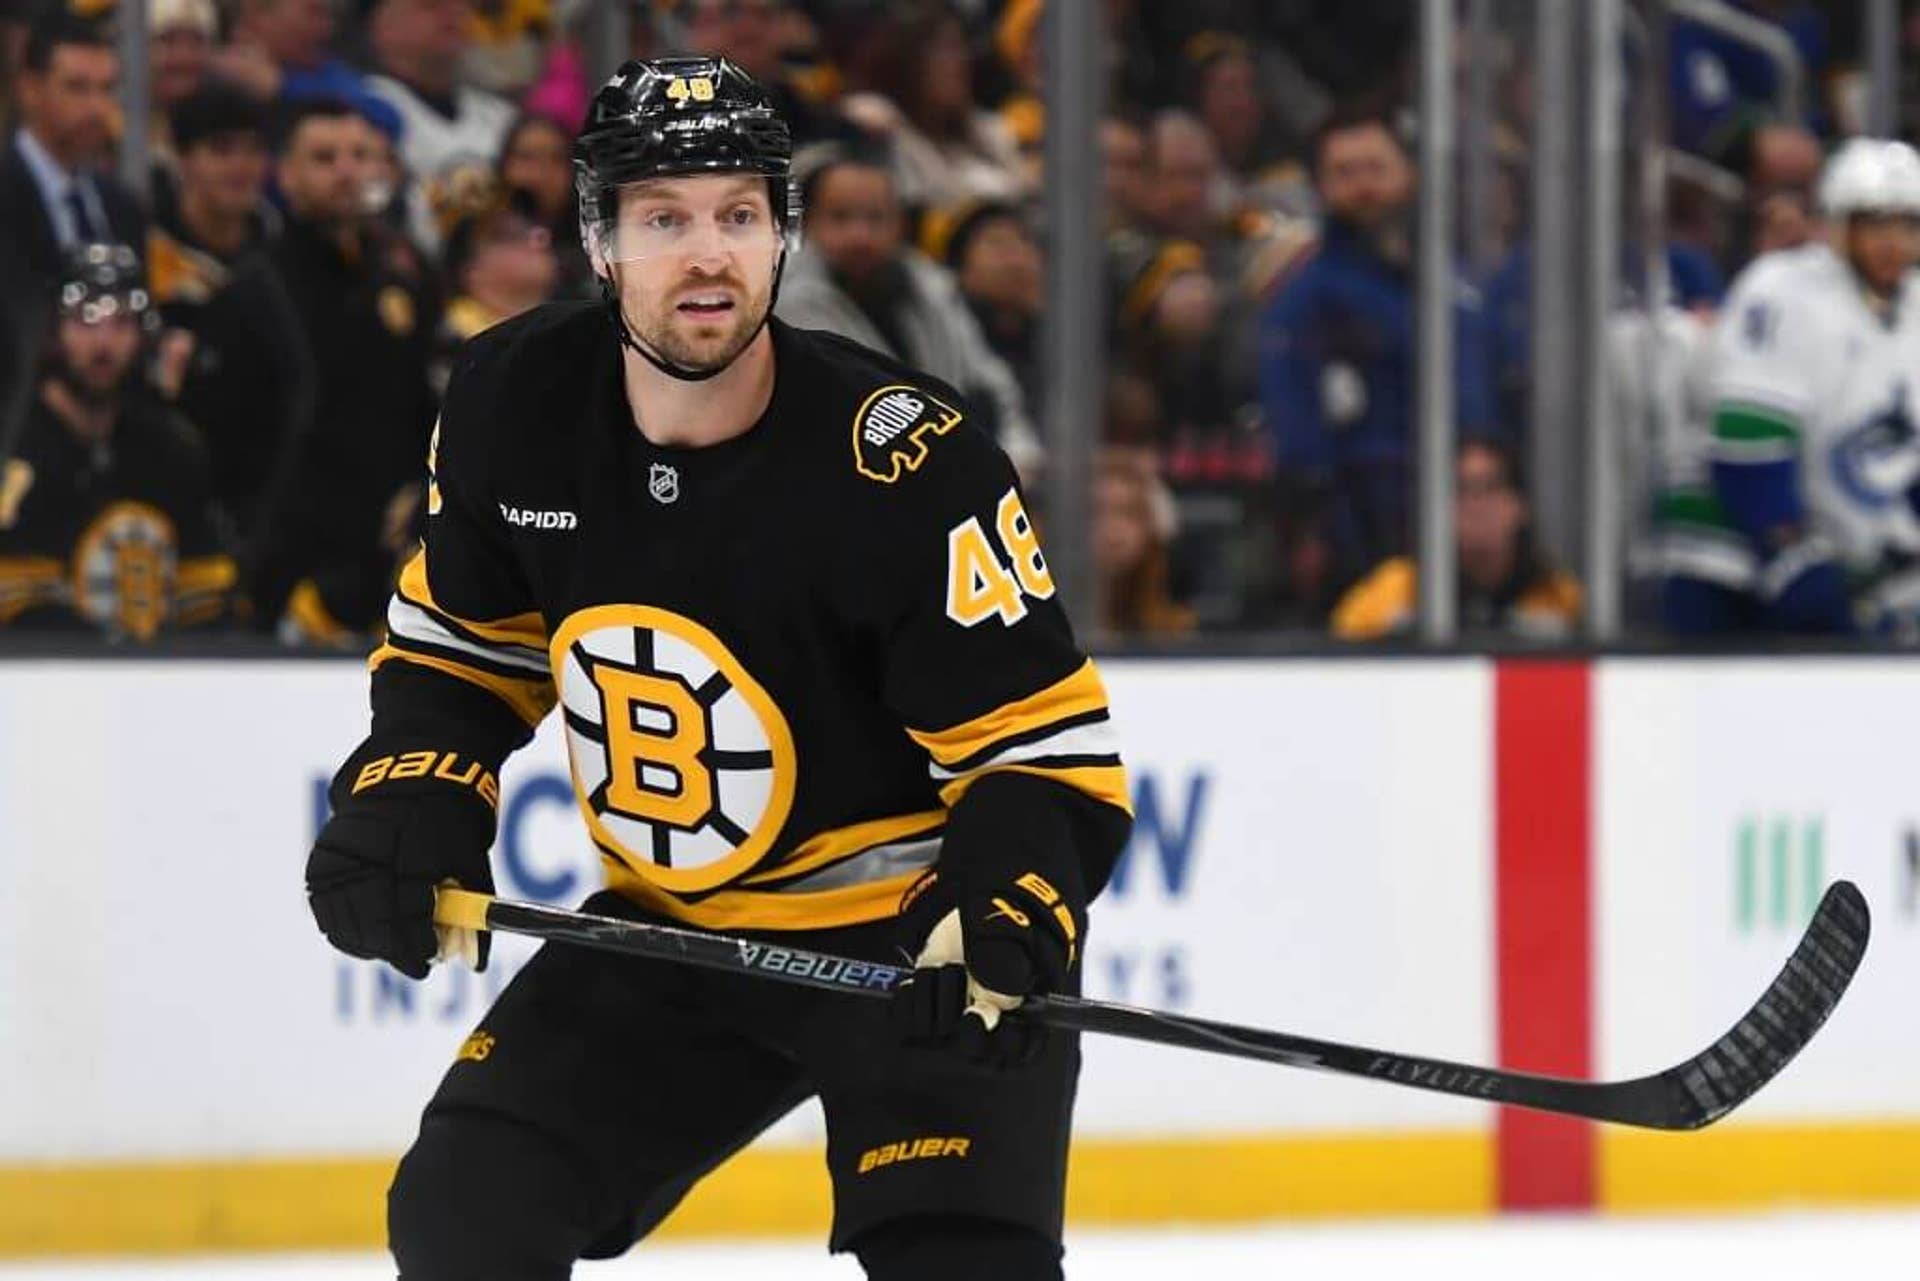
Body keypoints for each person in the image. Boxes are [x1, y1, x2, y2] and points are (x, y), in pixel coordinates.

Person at [302, 56, 1130, 1279]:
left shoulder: (904, 462)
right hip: (670, 938)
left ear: (783, 235)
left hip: (905, 945)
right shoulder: (510, 402)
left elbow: (1043, 758)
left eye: (740, 215)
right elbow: (462, 652)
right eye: (664, 219)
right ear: (598, 240)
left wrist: (1005, 901)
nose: (707, 255)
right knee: (465, 1214)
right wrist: (415, 782)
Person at [1258, 108, 1494, 611]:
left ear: (1409, 173)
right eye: (1345, 173)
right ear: (1320, 188)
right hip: (1363, 530)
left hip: (1466, 517)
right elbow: (1298, 436)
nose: (1363, 186)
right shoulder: (1308, 300)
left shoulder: (1454, 282)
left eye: (1375, 168)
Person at [1700, 138, 1920, 637]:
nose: (1894, 243)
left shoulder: (1915, 309)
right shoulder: (1783, 290)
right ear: (1840, 226)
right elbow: (1747, 444)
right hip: (1734, 555)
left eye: (1908, 225)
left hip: (1854, 559)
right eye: (1876, 224)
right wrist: (1787, 549)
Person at [259, 97, 438, 642]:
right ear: (286, 175)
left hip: (391, 555)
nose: (347, 170)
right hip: (293, 560)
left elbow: (427, 403)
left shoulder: (408, 275)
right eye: (324, 157)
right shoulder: (260, 287)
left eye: (361, 155)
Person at [0, 243, 233, 638]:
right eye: (86, 321)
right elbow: (17, 603)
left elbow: (207, 597)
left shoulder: (171, 448)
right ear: (54, 331)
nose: (104, 344)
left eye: (122, 322)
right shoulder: (19, 454)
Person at [777, 146, 1043, 480]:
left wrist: (1016, 463)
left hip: (959, 482)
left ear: (900, 224)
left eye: (875, 218)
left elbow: (991, 384)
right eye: (840, 217)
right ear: (808, 223)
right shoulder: (785, 304)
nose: (859, 236)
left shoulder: (931, 287)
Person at [147, 82, 314, 572]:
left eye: (253, 151)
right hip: (182, 477)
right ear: (180, 159)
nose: (241, 168)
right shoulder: (149, 253)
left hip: (274, 484)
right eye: (220, 151)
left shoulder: (286, 252)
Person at [1331, 439, 1581, 641]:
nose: (1475, 506)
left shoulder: (1559, 597)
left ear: (1519, 506)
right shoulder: (1396, 588)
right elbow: (1340, 660)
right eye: (1461, 490)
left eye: (1490, 488)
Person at [0, 10, 148, 291]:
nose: (97, 108)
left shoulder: (122, 207)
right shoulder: (6, 195)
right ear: (30, 89)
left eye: (107, 89)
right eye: (77, 88)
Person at [364, 0, 517, 253]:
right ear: (384, 28)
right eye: (431, 6)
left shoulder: (500, 116)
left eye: (462, 5)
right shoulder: (363, 108)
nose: (453, 13)